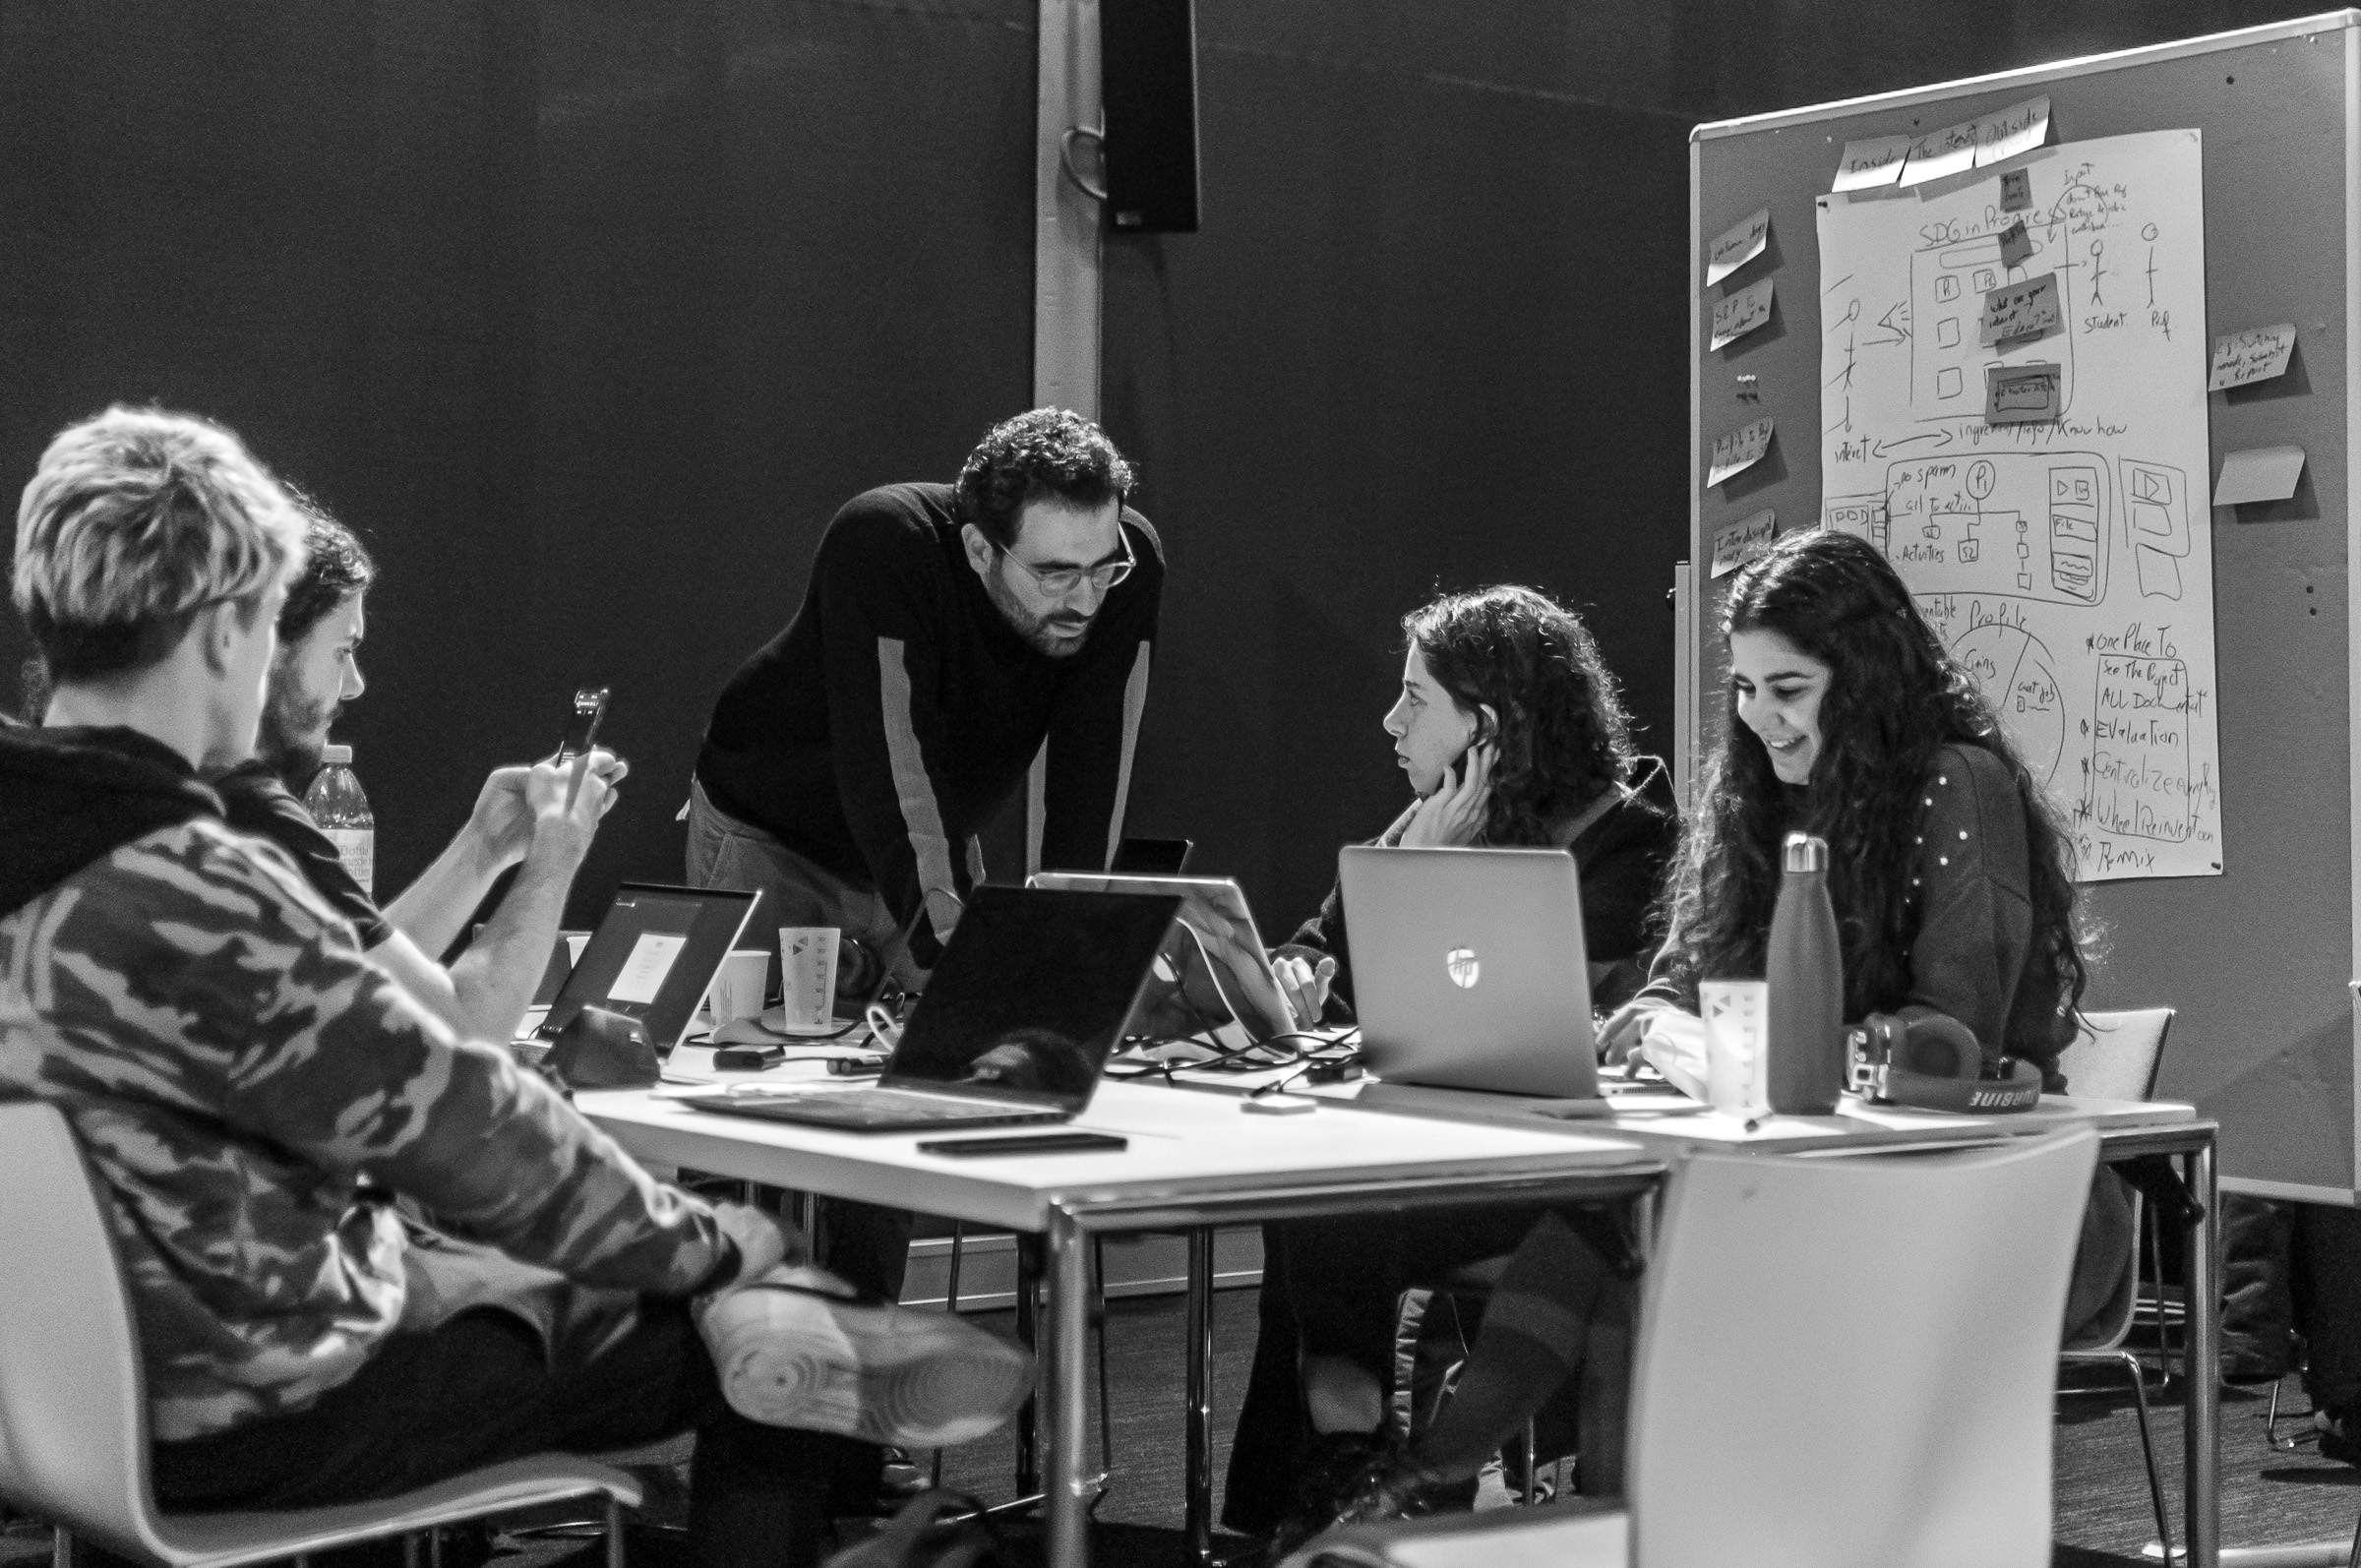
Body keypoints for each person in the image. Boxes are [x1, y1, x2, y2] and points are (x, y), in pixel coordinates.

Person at [0, 405, 1026, 1568]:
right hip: (257, 1398)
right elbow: (475, 1131)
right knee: (754, 1321)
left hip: (66, 1399)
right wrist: (721, 1243)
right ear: (227, 630)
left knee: (535, 1274)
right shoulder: (195, 885)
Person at [1285, 527, 2135, 1543]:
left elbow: (1952, 1036)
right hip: (1802, 1177)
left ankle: (1437, 1493)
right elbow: (1677, 976)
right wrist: (1656, 1022)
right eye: (1745, 688)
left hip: (1988, 1196)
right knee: (1632, 1238)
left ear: (1866, 677)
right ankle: (1483, 1500)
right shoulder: (1757, 800)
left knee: (1640, 1248)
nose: (1759, 718)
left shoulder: (1958, 782)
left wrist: (1736, 1044)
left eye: (1790, 689)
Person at [1224, 584, 1680, 1539]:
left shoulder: (1631, 846)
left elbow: (1526, 1019)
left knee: (1330, 1214)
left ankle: (1334, 1487)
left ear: (1489, 726)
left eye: (1415, 697)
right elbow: (1322, 949)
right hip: (1442, 1154)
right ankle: (1323, 1488)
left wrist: (1424, 875)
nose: (1392, 722)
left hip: (1559, 1178)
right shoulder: (1430, 815)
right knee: (1313, 1204)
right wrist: (1298, 972)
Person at [686, 408, 1164, 1310]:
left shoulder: (1122, 563)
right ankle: (750, 1367)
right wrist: (970, 970)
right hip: (774, 831)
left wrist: (1072, 965)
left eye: (1101, 568)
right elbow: (890, 765)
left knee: (904, 1113)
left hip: (928, 827)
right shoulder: (887, 542)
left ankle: (866, 1362)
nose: (1085, 598)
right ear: (981, 549)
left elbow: (1096, 770)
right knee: (768, 1129)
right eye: (1054, 573)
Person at [206, 495, 624, 1043]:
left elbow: (359, 980)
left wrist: (484, 846)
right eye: (343, 650)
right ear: (267, 641)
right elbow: (461, 1034)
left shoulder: (187, 786)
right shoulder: (246, 812)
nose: (355, 684)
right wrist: (558, 847)